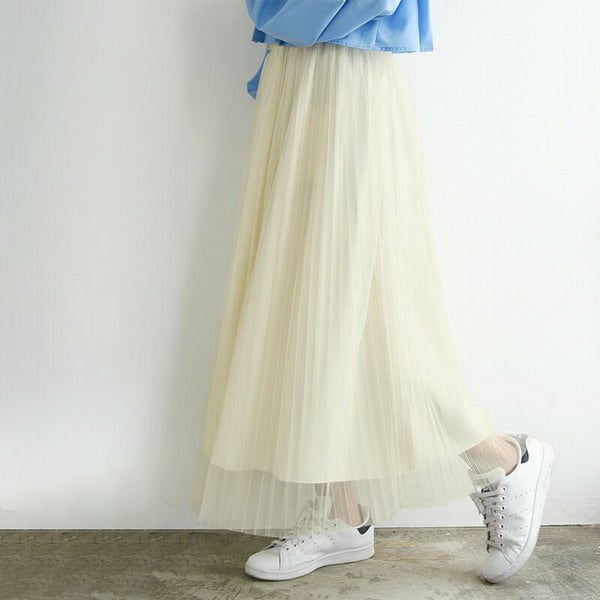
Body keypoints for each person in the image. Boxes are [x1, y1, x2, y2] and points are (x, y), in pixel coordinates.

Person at [189, 0, 555, 585]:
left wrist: (285, 21)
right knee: (315, 306)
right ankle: (343, 511)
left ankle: (502, 459)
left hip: (345, 73)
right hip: (297, 72)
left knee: (374, 308)